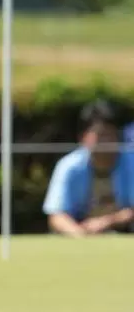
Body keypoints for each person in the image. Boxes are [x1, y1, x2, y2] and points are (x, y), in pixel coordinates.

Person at [44, 100, 134, 236]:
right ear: (83, 137)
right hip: (79, 233)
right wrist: (79, 234)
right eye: (100, 135)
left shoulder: (131, 162)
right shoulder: (69, 166)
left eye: (111, 134)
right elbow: (56, 214)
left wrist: (107, 221)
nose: (107, 141)